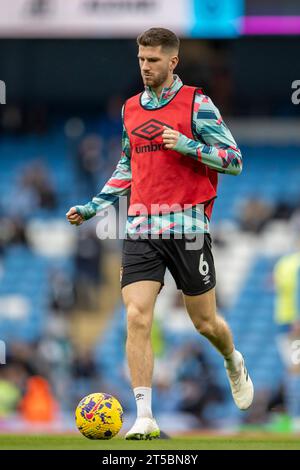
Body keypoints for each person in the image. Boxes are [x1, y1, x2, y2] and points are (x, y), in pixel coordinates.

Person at [66, 27, 254, 440]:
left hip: (188, 227)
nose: (145, 67)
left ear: (173, 62)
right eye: (140, 60)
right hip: (141, 227)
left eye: (153, 61)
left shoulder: (198, 104)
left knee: (205, 324)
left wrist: (188, 145)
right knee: (136, 316)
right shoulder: (130, 108)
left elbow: (235, 160)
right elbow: (126, 166)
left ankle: (232, 358)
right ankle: (145, 416)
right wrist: (94, 206)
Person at [274, 251, 300, 433]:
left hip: (286, 322)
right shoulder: (294, 264)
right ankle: (296, 417)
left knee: (294, 371)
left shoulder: (285, 262)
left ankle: (295, 417)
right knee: (296, 371)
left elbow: (273, 285)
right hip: (293, 325)